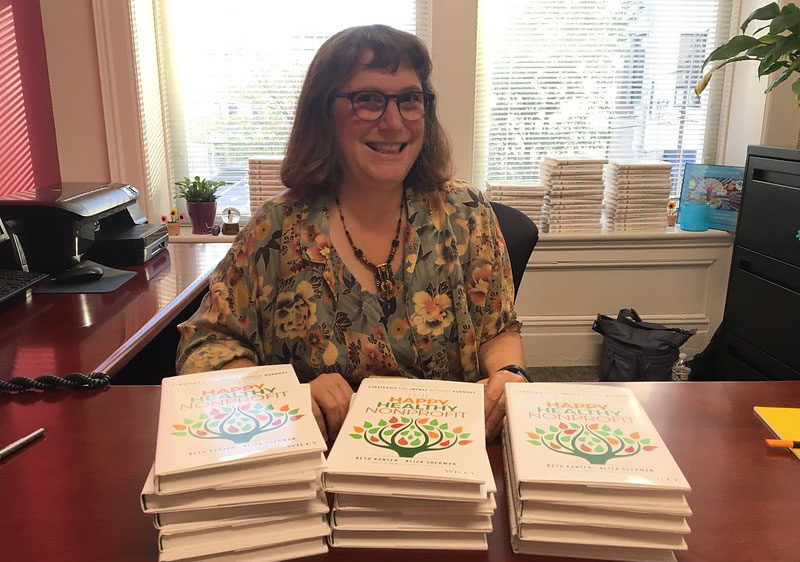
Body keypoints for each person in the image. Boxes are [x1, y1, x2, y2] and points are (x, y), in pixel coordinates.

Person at [176, 24, 527, 443]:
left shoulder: (466, 213)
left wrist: (510, 375)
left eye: (409, 100)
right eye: (368, 100)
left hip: (450, 453)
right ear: (324, 113)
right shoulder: (278, 227)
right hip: (319, 461)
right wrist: (284, 399)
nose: (394, 122)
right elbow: (207, 345)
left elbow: (498, 328)